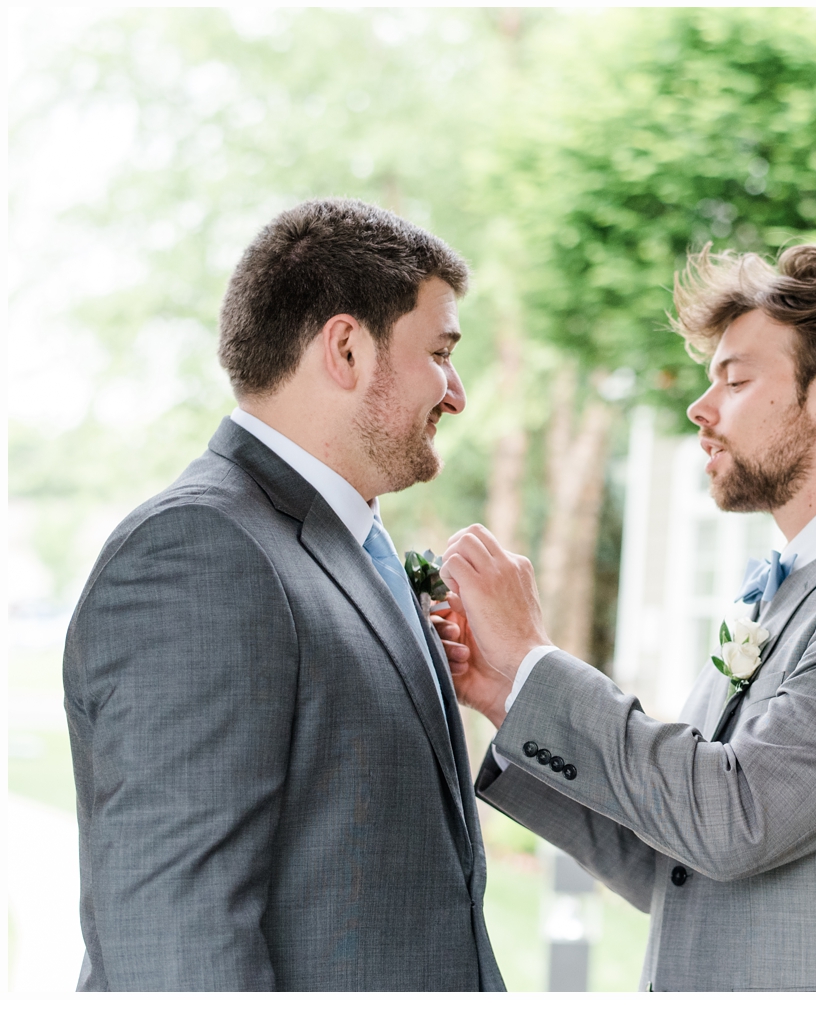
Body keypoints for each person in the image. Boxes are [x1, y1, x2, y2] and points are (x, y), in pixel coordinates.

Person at [438, 244, 816, 991]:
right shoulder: (779, 589)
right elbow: (678, 862)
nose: (701, 411)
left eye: (735, 380)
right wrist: (504, 691)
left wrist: (537, 657)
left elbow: (730, 820)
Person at [63, 199, 503, 991]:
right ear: (346, 348)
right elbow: (174, 942)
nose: (457, 392)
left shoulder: (340, 547)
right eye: (440, 352)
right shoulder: (201, 555)